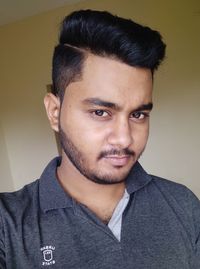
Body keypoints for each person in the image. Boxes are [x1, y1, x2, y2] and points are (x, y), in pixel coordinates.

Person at [0, 9, 199, 269]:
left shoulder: (183, 204)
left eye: (138, 114)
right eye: (100, 112)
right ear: (55, 112)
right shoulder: (7, 226)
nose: (124, 139)